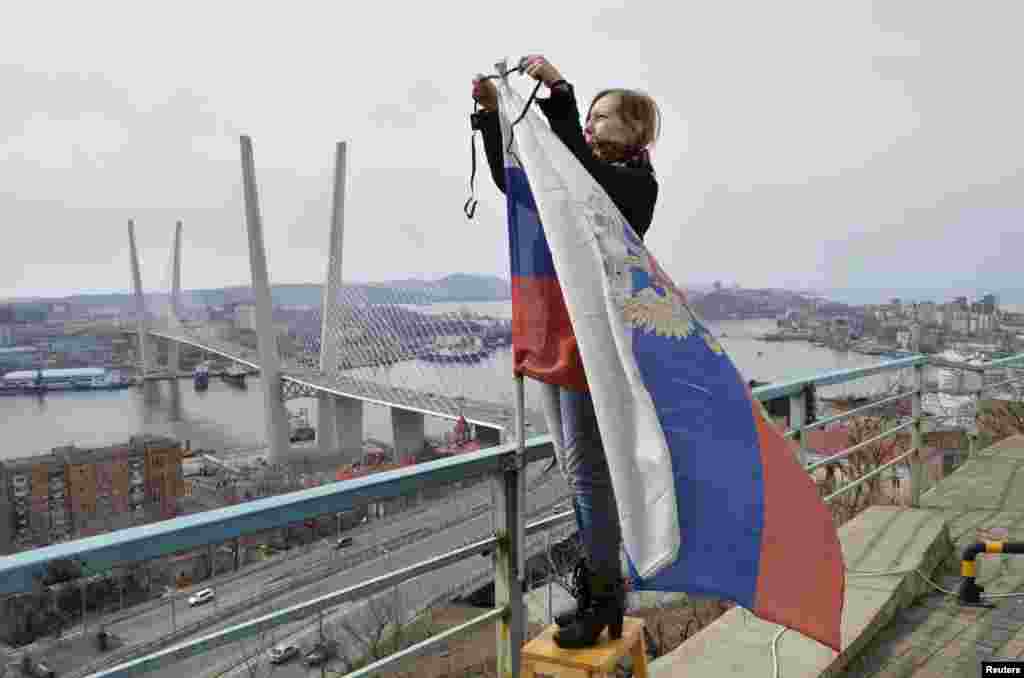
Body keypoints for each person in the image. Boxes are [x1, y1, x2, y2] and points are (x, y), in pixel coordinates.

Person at [470, 55, 661, 649]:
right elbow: (517, 182)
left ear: (635, 132)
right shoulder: (575, 176)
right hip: (554, 331)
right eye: (591, 115)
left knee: (586, 474)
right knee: (577, 466)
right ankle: (601, 593)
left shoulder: (633, 184)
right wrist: (490, 117)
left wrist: (558, 90)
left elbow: (576, 170)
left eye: (604, 117)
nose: (592, 125)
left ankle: (603, 597)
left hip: (587, 341)